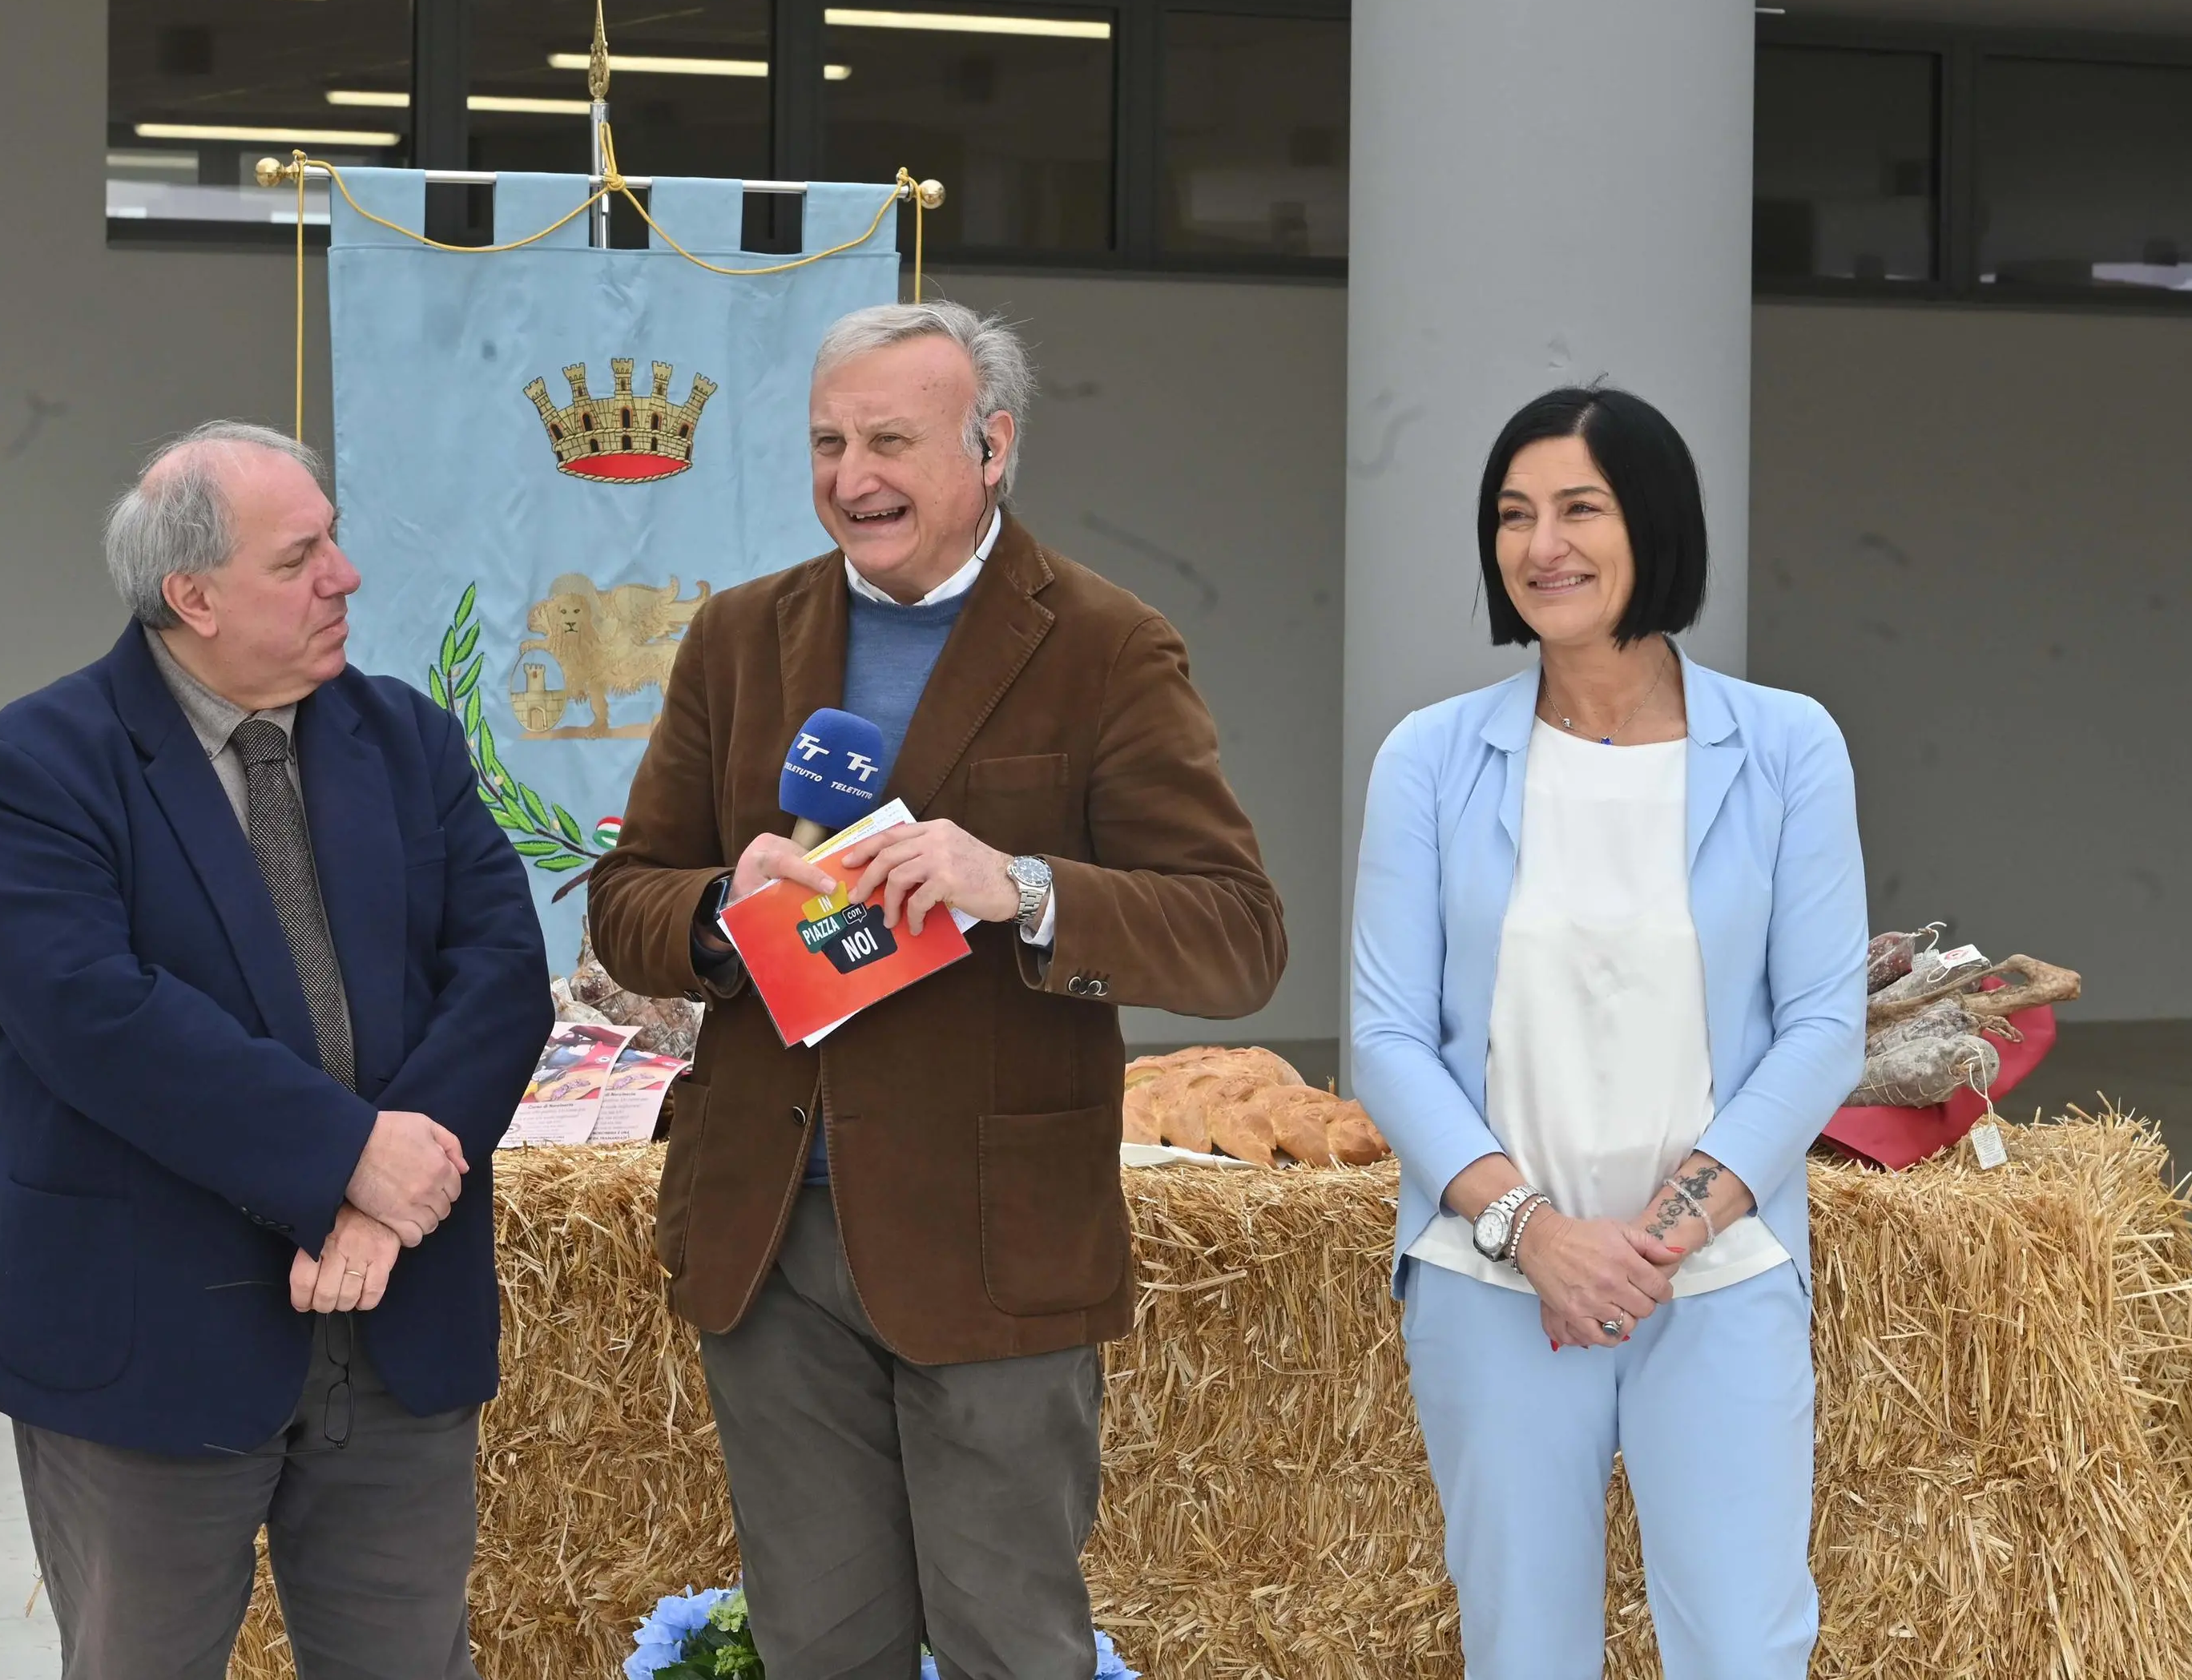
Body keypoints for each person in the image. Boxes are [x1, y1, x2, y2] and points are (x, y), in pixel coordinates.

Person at [588, 302, 1286, 1680]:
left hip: (995, 1247)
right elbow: (627, 900)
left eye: (890, 441)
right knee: (815, 1650)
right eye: (827, 443)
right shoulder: (737, 636)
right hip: (770, 1242)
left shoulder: (1106, 645)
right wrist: (724, 907)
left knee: (1007, 1648)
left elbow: (1235, 933)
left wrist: (1017, 884)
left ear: (992, 446)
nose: (852, 476)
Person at [0, 421, 551, 1680]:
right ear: (194, 596)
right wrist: (347, 1156)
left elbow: (500, 973)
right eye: (299, 557)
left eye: (333, 540)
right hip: (146, 1339)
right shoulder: (38, 765)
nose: (345, 575)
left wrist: (384, 1198)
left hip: (395, 1329)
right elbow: (99, 1019)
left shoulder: (409, 741)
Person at [1348, 387, 1867, 1678]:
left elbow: (1821, 1024)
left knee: (1744, 1646)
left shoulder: (1788, 746)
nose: (1541, 546)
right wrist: (1537, 1235)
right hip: (1493, 1284)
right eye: (1512, 515)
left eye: (1579, 508)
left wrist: (1650, 1244)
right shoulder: (1427, 757)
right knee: (1521, 1649)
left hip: (1720, 1275)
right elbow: (1387, 1036)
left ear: (1655, 523)